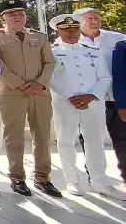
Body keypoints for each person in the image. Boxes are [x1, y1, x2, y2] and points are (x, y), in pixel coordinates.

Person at [0, 0, 60, 197]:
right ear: (3, 18)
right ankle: (17, 177)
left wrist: (39, 84)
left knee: (43, 136)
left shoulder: (40, 37)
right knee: (14, 137)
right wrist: (20, 85)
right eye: (11, 15)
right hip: (12, 93)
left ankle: (42, 178)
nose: (17, 17)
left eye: (20, 14)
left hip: (40, 92)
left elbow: (49, 62)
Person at [49, 14, 126, 200]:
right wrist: (71, 96)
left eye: (75, 29)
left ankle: (99, 181)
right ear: (58, 31)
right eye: (66, 29)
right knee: (66, 141)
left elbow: (105, 77)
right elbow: (51, 78)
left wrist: (91, 96)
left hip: (93, 103)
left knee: (95, 141)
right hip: (65, 103)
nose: (71, 32)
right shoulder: (52, 52)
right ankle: (72, 180)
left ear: (80, 30)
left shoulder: (93, 50)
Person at [73, 7, 126, 183]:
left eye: (97, 17)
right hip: (90, 99)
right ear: (79, 21)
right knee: (89, 138)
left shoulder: (117, 38)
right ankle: (94, 174)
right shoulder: (71, 41)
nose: (94, 20)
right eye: (89, 18)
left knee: (122, 138)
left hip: (115, 97)